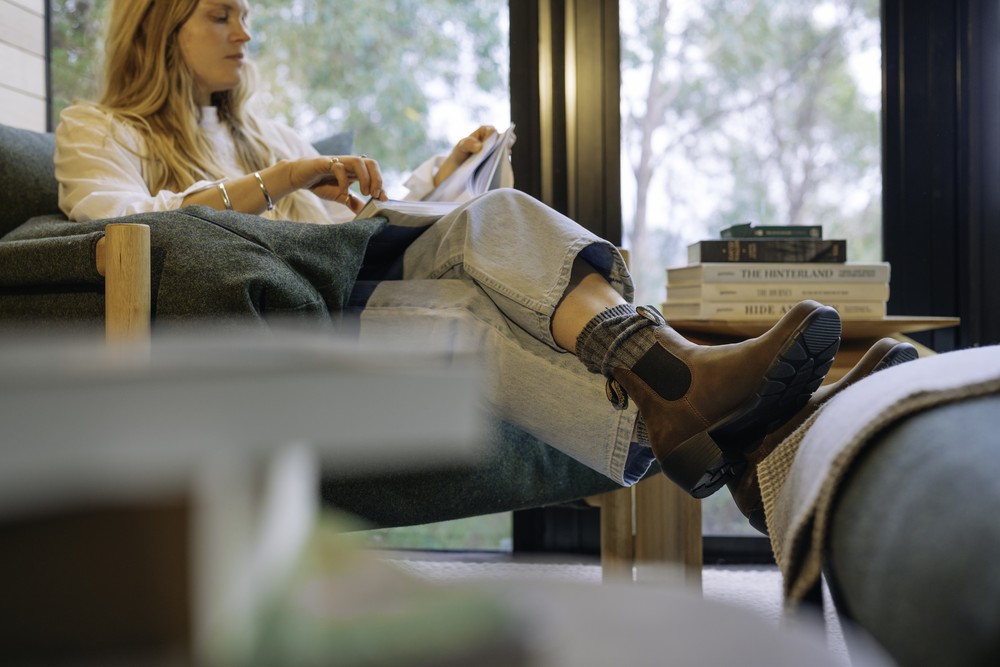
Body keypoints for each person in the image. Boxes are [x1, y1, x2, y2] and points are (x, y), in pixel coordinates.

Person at [55, 0, 884, 529]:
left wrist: (438, 177)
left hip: (360, 273)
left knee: (495, 210)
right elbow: (120, 223)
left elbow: (362, 223)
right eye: (220, 15)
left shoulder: (262, 130)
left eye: (244, 15)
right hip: (296, 312)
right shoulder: (97, 129)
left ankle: (682, 388)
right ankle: (772, 424)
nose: (246, 31)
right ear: (159, 26)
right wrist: (273, 183)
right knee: (466, 317)